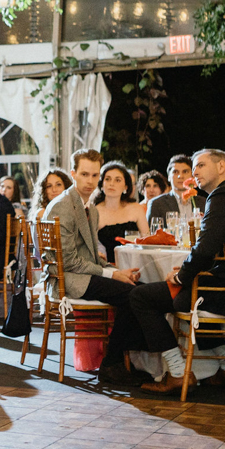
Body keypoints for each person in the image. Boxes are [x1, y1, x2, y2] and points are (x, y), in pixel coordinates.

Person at [129, 149, 225, 394]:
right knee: (189, 291)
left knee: (140, 297)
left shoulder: (222, 195)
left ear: (220, 167)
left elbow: (205, 249)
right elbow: (218, 251)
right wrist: (189, 271)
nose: (194, 172)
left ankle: (176, 373)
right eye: (193, 167)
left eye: (200, 165)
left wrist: (181, 275)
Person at [42, 149, 149, 385]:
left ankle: (123, 360)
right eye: (84, 174)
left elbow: (89, 253)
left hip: (80, 271)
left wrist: (114, 270)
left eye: (94, 175)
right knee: (135, 295)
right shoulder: (63, 206)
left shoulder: (84, 204)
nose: (90, 181)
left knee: (142, 290)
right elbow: (69, 261)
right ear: (73, 174)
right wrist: (111, 273)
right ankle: (112, 364)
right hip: (67, 278)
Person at [94, 161, 149, 263]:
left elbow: (147, 241)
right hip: (108, 268)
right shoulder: (94, 212)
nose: (112, 183)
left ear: (126, 187)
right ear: (102, 184)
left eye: (117, 180)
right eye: (107, 179)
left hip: (137, 264)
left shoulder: (136, 208)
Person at [147, 153, 204, 222]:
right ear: (169, 177)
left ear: (192, 175)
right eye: (175, 172)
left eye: (185, 172)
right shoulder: (156, 204)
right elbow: (151, 231)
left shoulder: (203, 203)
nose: (180, 176)